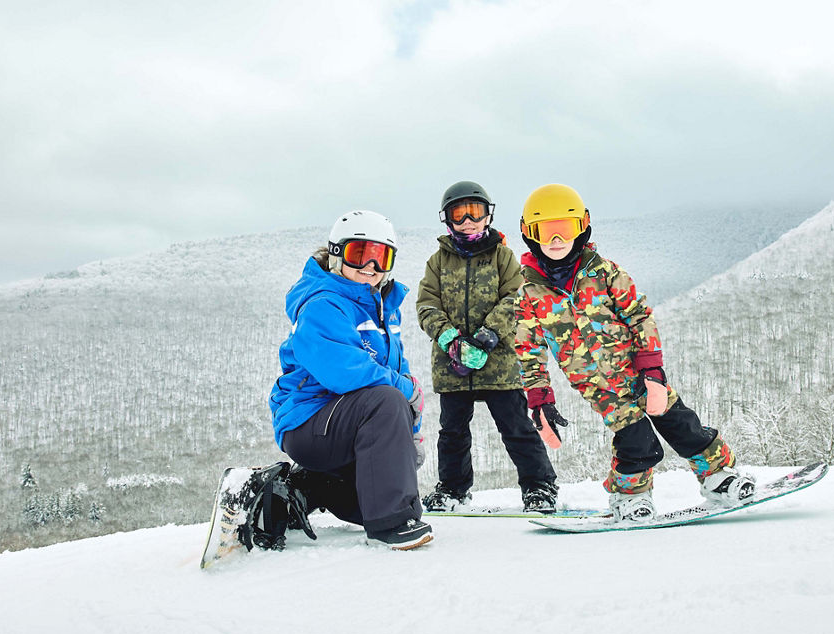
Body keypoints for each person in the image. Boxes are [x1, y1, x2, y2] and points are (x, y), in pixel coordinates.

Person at [513, 184, 755, 521]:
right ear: (530, 234)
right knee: (635, 439)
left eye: (564, 228)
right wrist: (539, 399)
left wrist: (652, 370)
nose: (556, 239)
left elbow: (639, 317)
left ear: (581, 227)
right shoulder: (528, 295)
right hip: (598, 387)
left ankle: (718, 476)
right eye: (545, 231)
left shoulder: (605, 273)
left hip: (638, 372)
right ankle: (630, 497)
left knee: (681, 424)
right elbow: (528, 350)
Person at [263, 209, 431, 549]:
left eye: (380, 257)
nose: (370, 267)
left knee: (370, 501)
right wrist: (405, 394)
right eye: (360, 254)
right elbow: (347, 374)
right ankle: (390, 526)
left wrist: (407, 434)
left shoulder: (381, 305)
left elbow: (396, 372)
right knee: (384, 400)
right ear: (337, 254)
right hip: (308, 423)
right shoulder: (322, 304)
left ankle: (304, 489)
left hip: (343, 426)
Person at [416, 181, 559, 513]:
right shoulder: (438, 261)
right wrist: (450, 339)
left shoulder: (502, 256)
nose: (467, 220)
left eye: (475, 212)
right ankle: (453, 490)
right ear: (447, 219)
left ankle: (539, 487)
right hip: (453, 365)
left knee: (516, 427)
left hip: (498, 362)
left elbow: (516, 297)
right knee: (452, 432)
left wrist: (487, 336)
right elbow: (426, 304)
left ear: (487, 215)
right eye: (458, 213)